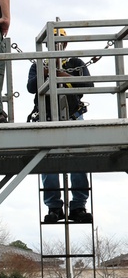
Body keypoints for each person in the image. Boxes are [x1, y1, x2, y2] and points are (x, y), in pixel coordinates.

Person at [27, 28, 93, 223]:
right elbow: (31, 87)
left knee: (78, 161)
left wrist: (60, 74)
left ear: (65, 43)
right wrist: (47, 72)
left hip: (73, 116)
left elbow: (88, 86)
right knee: (48, 166)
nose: (56, 45)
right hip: (46, 118)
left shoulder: (76, 63)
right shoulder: (39, 65)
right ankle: (54, 207)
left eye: (59, 41)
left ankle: (78, 206)